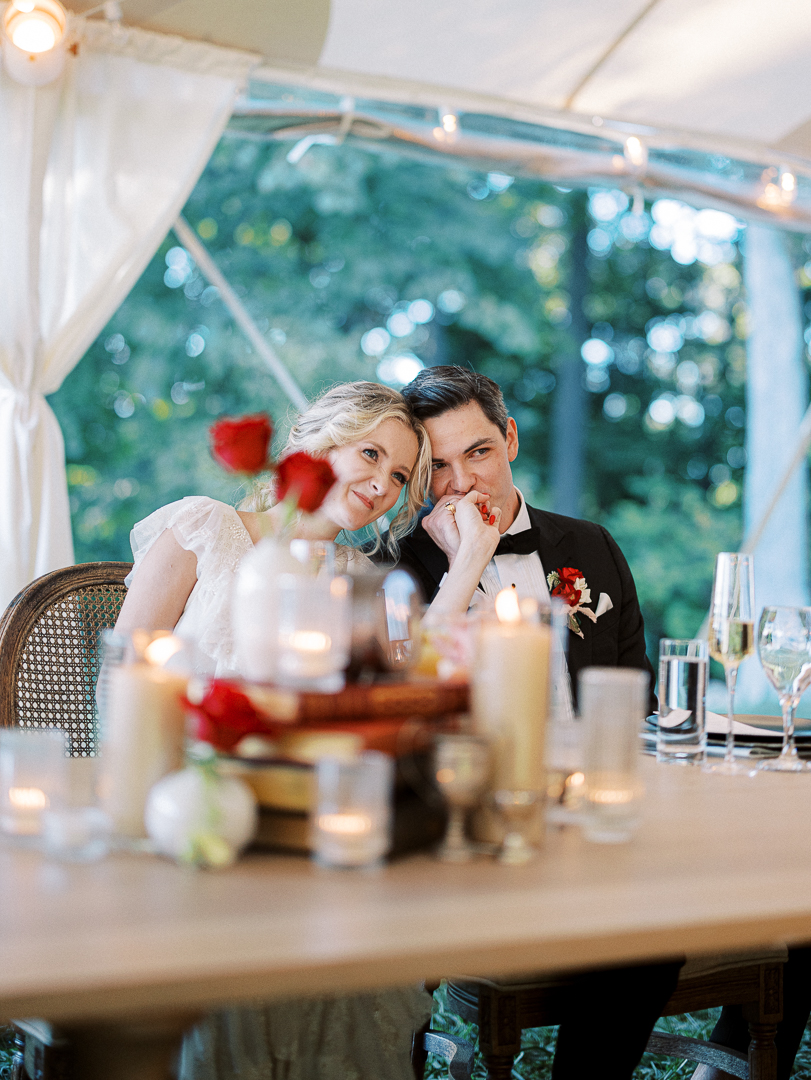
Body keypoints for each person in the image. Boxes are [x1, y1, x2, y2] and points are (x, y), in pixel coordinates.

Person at [115, 381, 446, 1080]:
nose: (381, 486)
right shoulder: (205, 528)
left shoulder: (362, 581)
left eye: (399, 477)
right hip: (186, 811)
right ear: (313, 443)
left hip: (300, 824)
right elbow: (125, 682)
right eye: (370, 455)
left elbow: (392, 709)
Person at [388, 365, 679, 1079]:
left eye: (478, 452)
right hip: (466, 824)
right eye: (438, 466)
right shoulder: (394, 567)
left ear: (511, 438)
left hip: (590, 817)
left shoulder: (591, 546)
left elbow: (634, 698)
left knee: (659, 924)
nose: (461, 483)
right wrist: (467, 563)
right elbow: (401, 713)